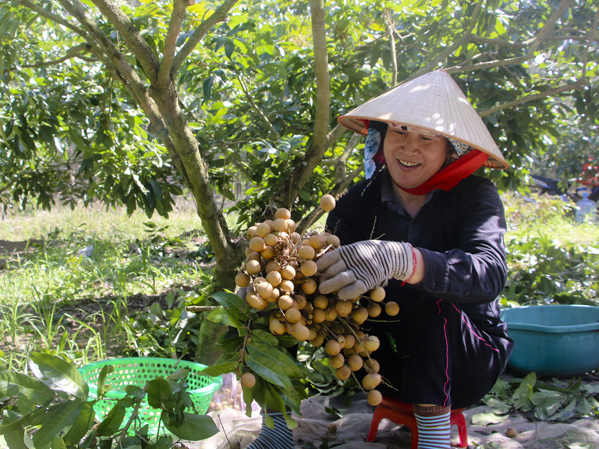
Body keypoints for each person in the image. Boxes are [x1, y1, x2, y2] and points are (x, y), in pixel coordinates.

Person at [314, 69, 514, 449]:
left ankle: (434, 442)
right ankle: (273, 429)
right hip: (379, 364)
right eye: (400, 131)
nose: (409, 148)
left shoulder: (475, 197)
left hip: (466, 364)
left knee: (420, 294)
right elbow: (329, 278)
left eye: (427, 138)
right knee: (289, 297)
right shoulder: (357, 202)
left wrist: (403, 259)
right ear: (382, 134)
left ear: (449, 150)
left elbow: (489, 274)